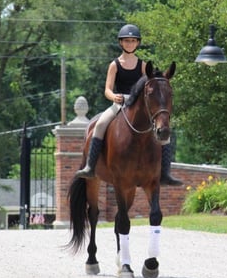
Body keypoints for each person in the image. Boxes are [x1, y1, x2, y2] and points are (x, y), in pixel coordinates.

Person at [75, 24, 183, 185]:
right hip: (119, 102)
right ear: (121, 43)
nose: (130, 43)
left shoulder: (143, 65)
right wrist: (114, 97)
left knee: (164, 133)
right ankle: (90, 166)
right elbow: (107, 89)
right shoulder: (114, 64)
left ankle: (165, 173)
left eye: (133, 41)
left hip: (137, 105)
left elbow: (148, 88)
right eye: (126, 41)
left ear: (137, 43)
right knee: (100, 125)